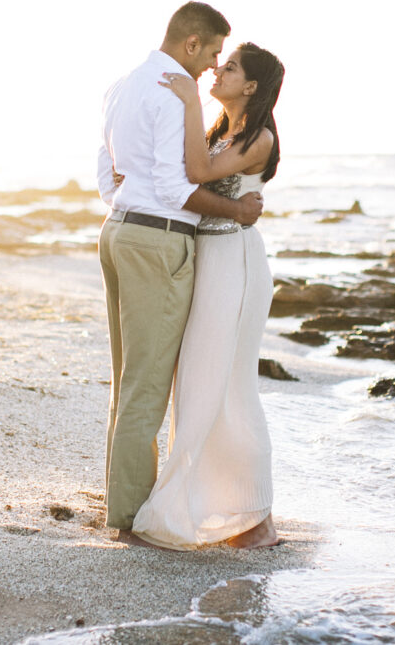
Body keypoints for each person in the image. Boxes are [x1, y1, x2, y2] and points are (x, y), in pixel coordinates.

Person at [96, 2, 264, 538]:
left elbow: (106, 173)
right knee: (146, 386)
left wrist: (130, 205)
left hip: (118, 231)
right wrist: (235, 211)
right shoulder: (174, 94)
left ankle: (121, 502)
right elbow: (176, 186)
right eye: (213, 52)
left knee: (127, 381)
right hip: (157, 241)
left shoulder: (124, 85)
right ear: (192, 44)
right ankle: (130, 518)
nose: (214, 64)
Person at [131, 41, 285, 550]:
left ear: (252, 86)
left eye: (231, 67)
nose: (218, 70)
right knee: (199, 383)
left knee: (231, 387)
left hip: (236, 265)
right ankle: (214, 505)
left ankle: (257, 517)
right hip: (209, 262)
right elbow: (180, 177)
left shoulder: (260, 138)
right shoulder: (221, 134)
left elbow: (197, 174)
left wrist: (190, 100)